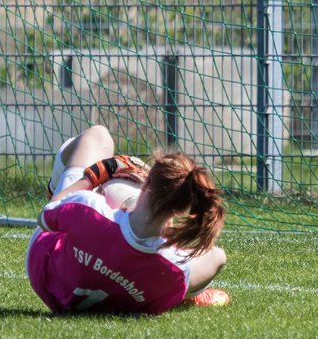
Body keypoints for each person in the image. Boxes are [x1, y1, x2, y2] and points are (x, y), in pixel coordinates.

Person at [27, 125, 229, 315]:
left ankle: (58, 184)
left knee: (98, 135)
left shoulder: (89, 208)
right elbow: (218, 258)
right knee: (216, 257)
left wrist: (98, 173)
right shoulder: (175, 267)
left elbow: (46, 214)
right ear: (179, 210)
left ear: (147, 181)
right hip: (124, 300)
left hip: (45, 276)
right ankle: (189, 294)